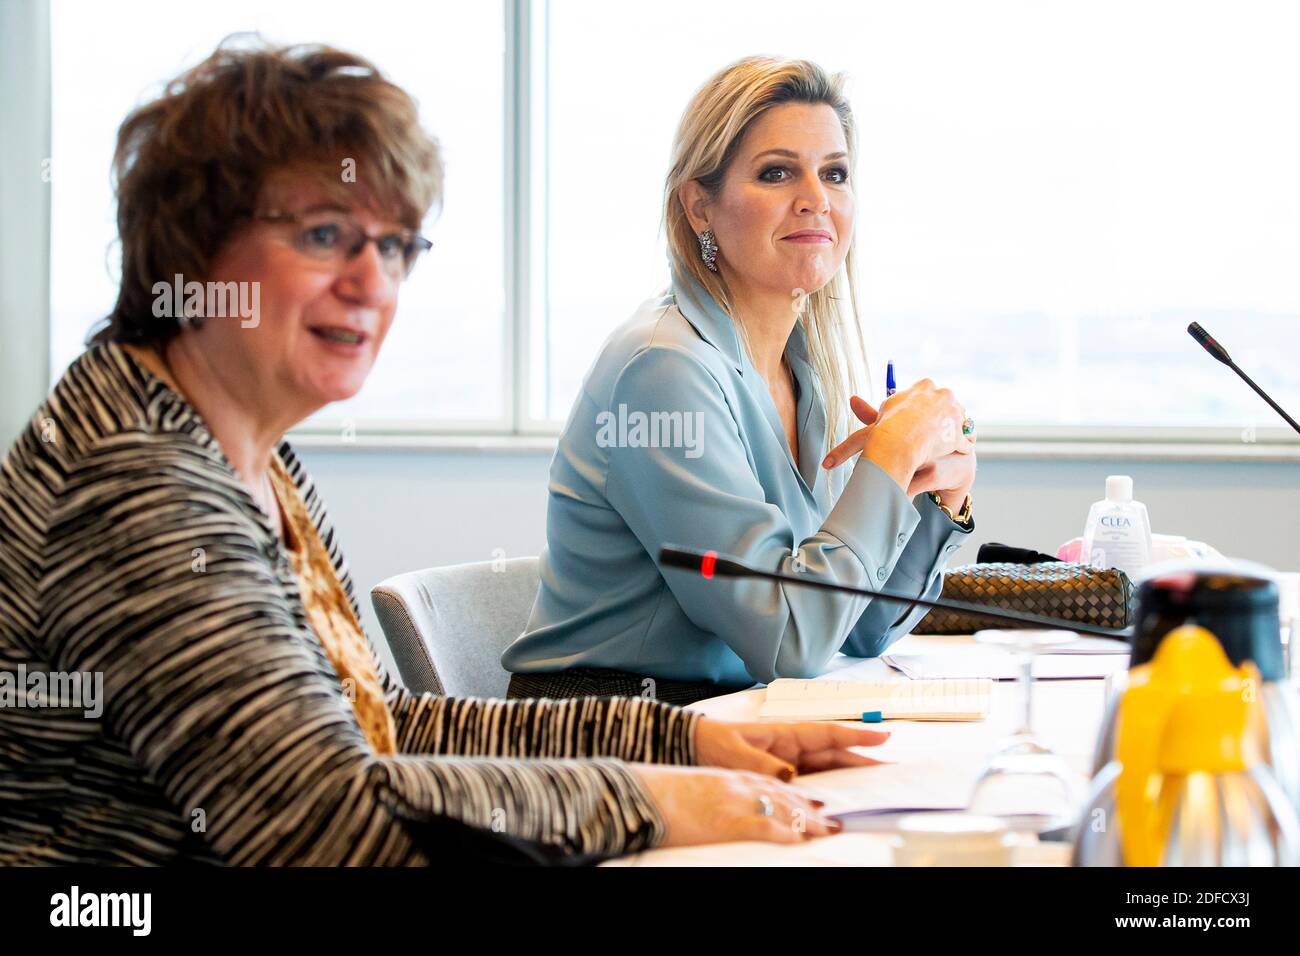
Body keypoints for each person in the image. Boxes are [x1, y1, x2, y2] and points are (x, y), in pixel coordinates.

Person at [0, 39, 888, 865]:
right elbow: (320, 821)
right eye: (322, 237)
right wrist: (651, 799)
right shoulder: (134, 481)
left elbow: (367, 730)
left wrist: (680, 743)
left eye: (393, 245)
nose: (371, 283)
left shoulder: (232, 447)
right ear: (193, 242)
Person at [505, 57, 976, 703]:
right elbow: (792, 639)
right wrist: (888, 462)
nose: (816, 197)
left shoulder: (805, 372)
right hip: (615, 736)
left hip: (730, 717)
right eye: (777, 172)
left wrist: (935, 501)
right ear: (700, 207)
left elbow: (859, 628)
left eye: (834, 173)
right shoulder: (663, 369)